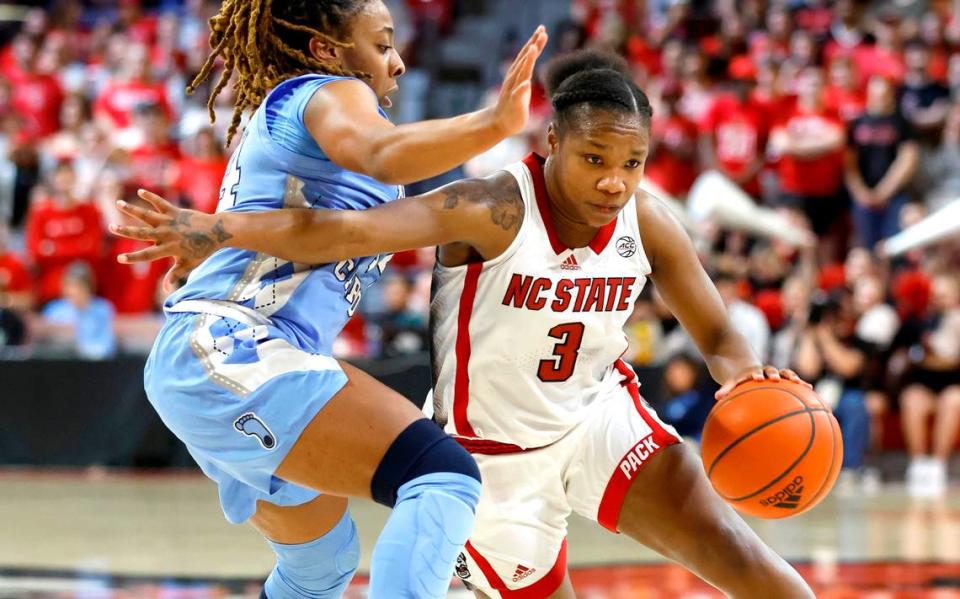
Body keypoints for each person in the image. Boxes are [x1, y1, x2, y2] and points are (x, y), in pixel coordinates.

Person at [114, 50, 815, 599]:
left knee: (736, 551)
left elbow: (719, 336)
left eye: (632, 163)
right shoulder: (490, 206)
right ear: (551, 144)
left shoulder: (648, 219)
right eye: (595, 159)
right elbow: (345, 230)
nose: (615, 181)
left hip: (600, 416)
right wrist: (222, 229)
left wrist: (747, 376)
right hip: (491, 459)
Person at [115, 0, 549, 597]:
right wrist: (495, 124)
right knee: (441, 476)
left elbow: (329, 230)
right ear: (326, 49)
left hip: (217, 359)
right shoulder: (327, 92)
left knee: (320, 564)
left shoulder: (294, 125)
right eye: (381, 44)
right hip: (238, 348)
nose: (396, 64)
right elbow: (379, 157)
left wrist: (216, 238)